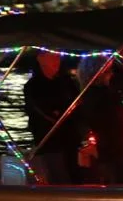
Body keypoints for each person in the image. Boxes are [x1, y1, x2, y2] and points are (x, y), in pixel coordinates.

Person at [76, 55, 123, 185]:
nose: (112, 74)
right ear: (98, 73)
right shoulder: (105, 96)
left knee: (116, 186)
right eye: (108, 71)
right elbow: (114, 124)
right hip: (116, 151)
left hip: (108, 151)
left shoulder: (88, 95)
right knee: (122, 187)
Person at [22, 51, 83, 184]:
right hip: (49, 142)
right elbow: (45, 110)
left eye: (58, 57)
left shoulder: (67, 82)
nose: (57, 61)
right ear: (40, 59)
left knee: (74, 176)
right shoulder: (33, 86)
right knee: (58, 178)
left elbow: (78, 104)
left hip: (71, 139)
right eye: (53, 57)